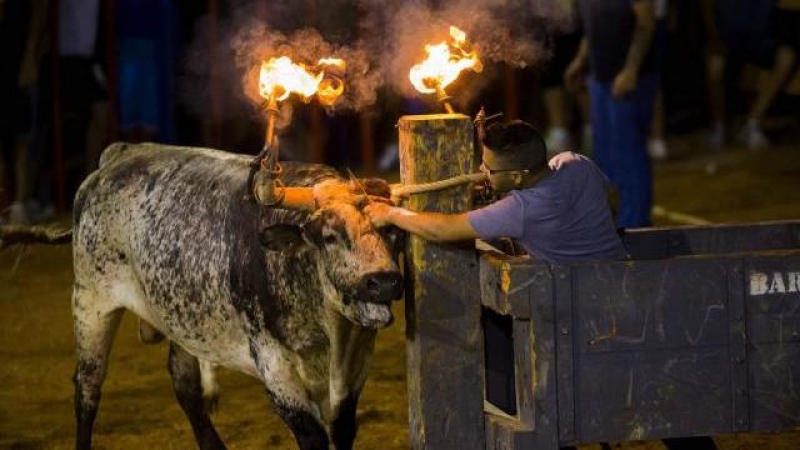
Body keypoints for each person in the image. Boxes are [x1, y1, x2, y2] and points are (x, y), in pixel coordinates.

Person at [364, 120, 627, 265]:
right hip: (619, 272)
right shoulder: (576, 162)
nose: (481, 170)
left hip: (571, 295)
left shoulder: (522, 208)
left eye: (489, 169)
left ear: (516, 176)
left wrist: (391, 213)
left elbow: (442, 229)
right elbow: (612, 196)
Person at [565, 0, 660, 229]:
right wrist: (580, 61)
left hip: (630, 80)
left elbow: (646, 24)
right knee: (605, 157)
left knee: (628, 155)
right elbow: (593, 28)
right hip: (601, 78)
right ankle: (613, 222)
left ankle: (636, 225)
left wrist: (631, 70)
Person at [702, 0, 797, 150]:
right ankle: (718, 126)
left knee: (787, 57)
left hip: (759, 40)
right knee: (714, 64)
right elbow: (706, 6)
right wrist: (714, 38)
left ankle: (753, 122)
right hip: (727, 38)